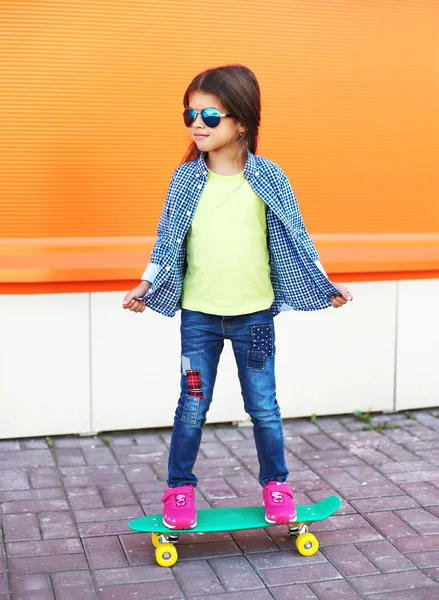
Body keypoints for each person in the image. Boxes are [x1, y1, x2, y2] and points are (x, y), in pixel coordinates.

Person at [122, 64, 353, 530]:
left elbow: (295, 237)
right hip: (199, 320)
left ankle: (277, 485)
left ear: (241, 121)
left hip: (255, 320)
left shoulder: (268, 177)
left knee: (263, 406)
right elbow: (167, 240)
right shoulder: (186, 179)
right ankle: (179, 491)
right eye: (190, 114)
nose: (196, 124)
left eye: (210, 115)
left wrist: (325, 283)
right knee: (191, 404)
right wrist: (145, 285)